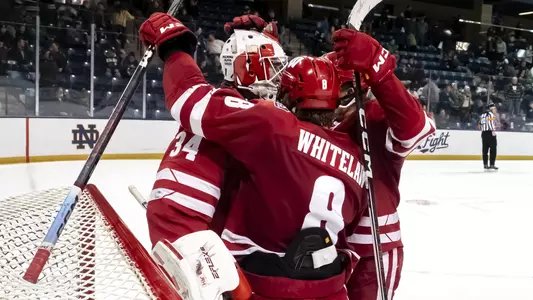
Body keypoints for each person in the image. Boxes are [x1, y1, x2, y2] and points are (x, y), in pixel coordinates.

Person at [140, 13, 365, 300]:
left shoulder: (268, 123)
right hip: (312, 284)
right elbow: (174, 219)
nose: (279, 76)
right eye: (272, 65)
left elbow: (193, 99)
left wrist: (174, 49)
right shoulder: (349, 152)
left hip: (260, 282)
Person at [322, 28, 435, 300]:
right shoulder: (317, 121)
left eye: (341, 88)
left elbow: (415, 128)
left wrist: (379, 70)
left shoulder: (374, 114)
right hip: (326, 245)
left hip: (372, 248)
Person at [479, 103, 498, 170]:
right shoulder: (491, 115)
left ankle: (485, 164)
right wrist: (493, 131)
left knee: (485, 150)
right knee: (493, 150)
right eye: (494, 109)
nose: (495, 110)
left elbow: (479, 125)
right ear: (491, 109)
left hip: (483, 133)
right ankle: (492, 164)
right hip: (490, 133)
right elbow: (492, 123)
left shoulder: (482, 115)